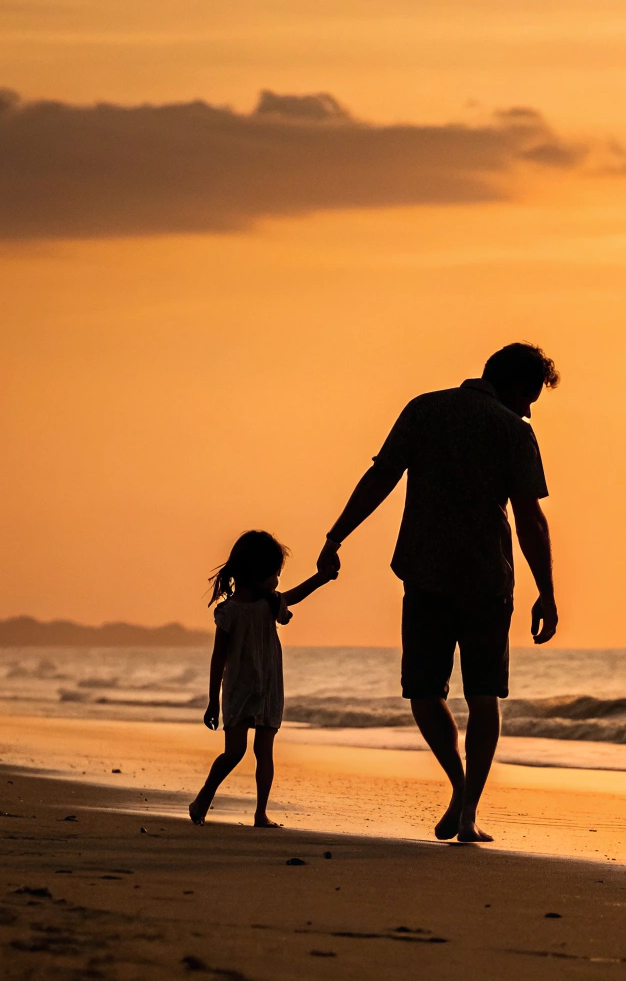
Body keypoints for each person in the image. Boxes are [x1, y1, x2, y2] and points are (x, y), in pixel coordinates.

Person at [317, 342, 559, 842]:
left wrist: (336, 535)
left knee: (424, 692)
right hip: (487, 580)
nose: (531, 408)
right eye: (530, 395)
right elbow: (530, 520)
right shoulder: (514, 431)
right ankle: (469, 808)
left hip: (424, 573)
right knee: (484, 693)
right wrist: (547, 592)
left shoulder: (425, 408)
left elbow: (380, 477)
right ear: (512, 383)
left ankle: (460, 786)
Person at [189, 530, 336, 826]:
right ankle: (203, 797)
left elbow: (296, 595)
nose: (278, 581)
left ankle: (261, 813)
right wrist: (212, 701)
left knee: (264, 751)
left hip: (268, 688)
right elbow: (219, 658)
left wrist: (321, 577)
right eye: (275, 574)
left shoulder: (269, 604)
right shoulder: (229, 612)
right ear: (256, 574)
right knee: (234, 752)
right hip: (239, 689)